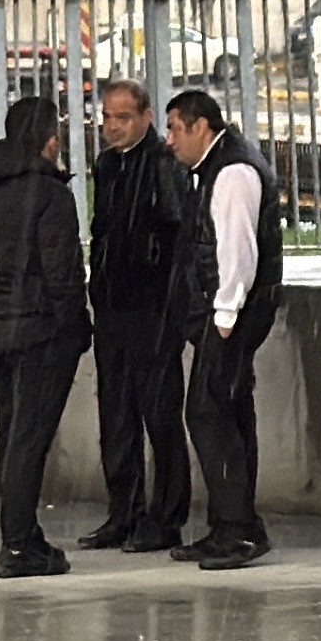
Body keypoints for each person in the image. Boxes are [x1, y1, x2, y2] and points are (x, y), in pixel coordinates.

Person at [0, 95, 92, 578]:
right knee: (28, 440)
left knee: (11, 434)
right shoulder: (49, 193)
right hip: (41, 331)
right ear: (48, 140)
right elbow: (63, 275)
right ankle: (17, 544)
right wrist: (76, 329)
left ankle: (21, 533)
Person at [164, 88, 281, 570]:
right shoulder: (212, 168)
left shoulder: (232, 172)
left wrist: (226, 314)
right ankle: (232, 525)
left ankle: (237, 530)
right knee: (228, 411)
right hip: (223, 312)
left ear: (200, 127)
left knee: (209, 412)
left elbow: (238, 250)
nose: (169, 140)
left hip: (231, 313)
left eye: (175, 128)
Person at [83, 79, 193, 553]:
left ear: (146, 117)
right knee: (116, 413)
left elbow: (179, 236)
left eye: (123, 118)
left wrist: (171, 304)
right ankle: (122, 511)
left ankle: (166, 516)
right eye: (107, 117)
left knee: (160, 415)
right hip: (112, 307)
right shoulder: (107, 166)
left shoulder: (163, 164)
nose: (112, 127)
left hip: (153, 308)